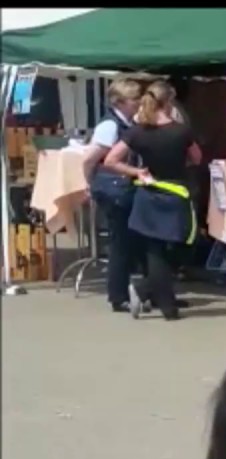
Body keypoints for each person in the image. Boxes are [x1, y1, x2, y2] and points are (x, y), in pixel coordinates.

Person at [103, 81, 202, 321]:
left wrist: (136, 172)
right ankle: (154, 297)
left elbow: (110, 160)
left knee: (155, 250)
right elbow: (197, 158)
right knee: (182, 246)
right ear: (168, 102)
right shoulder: (181, 131)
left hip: (148, 194)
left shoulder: (137, 132)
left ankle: (155, 297)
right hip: (176, 194)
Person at [82, 78, 143, 313]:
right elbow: (90, 159)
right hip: (113, 189)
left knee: (127, 241)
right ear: (119, 102)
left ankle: (131, 291)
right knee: (120, 243)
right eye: (134, 98)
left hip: (123, 187)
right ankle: (118, 296)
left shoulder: (127, 123)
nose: (138, 102)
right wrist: (89, 183)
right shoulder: (110, 125)